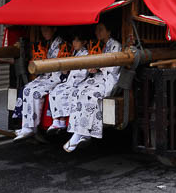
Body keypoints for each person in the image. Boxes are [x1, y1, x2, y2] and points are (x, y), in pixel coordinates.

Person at [65, 23, 122, 152]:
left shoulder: (116, 45)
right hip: (97, 78)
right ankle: (79, 132)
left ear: (109, 32)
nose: (97, 32)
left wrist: (98, 67)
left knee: (90, 95)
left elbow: (114, 69)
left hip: (108, 80)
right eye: (97, 30)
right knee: (77, 91)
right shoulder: (99, 45)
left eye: (100, 30)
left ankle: (82, 134)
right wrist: (92, 68)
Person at [14, 26, 65, 140]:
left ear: (54, 29)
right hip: (46, 75)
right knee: (27, 89)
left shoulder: (62, 44)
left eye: (46, 30)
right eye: (42, 31)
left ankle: (32, 127)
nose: (44, 33)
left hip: (56, 77)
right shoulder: (47, 43)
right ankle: (26, 126)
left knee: (36, 92)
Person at [47, 33, 89, 132]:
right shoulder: (74, 52)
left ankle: (61, 121)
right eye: (74, 40)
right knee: (54, 91)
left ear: (84, 42)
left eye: (77, 41)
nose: (74, 43)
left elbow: (83, 73)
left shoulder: (86, 54)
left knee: (63, 92)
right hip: (70, 80)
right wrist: (65, 72)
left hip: (78, 82)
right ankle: (56, 120)